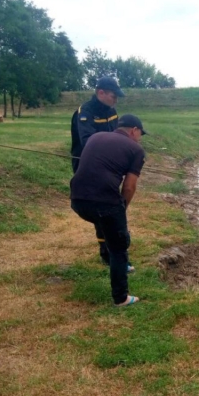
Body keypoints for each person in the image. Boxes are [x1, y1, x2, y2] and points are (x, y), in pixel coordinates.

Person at [70, 114, 147, 306]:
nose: (140, 138)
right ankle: (121, 297)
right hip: (103, 202)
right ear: (133, 130)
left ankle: (119, 262)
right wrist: (122, 208)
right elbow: (129, 187)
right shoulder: (136, 149)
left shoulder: (96, 137)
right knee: (119, 246)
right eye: (140, 134)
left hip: (77, 200)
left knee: (109, 227)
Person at [70, 76, 129, 269]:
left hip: (109, 166)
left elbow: (118, 135)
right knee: (102, 209)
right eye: (113, 96)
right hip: (87, 166)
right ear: (100, 93)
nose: (115, 101)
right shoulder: (84, 113)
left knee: (111, 207)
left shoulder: (111, 111)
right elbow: (88, 143)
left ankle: (115, 252)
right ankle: (107, 254)